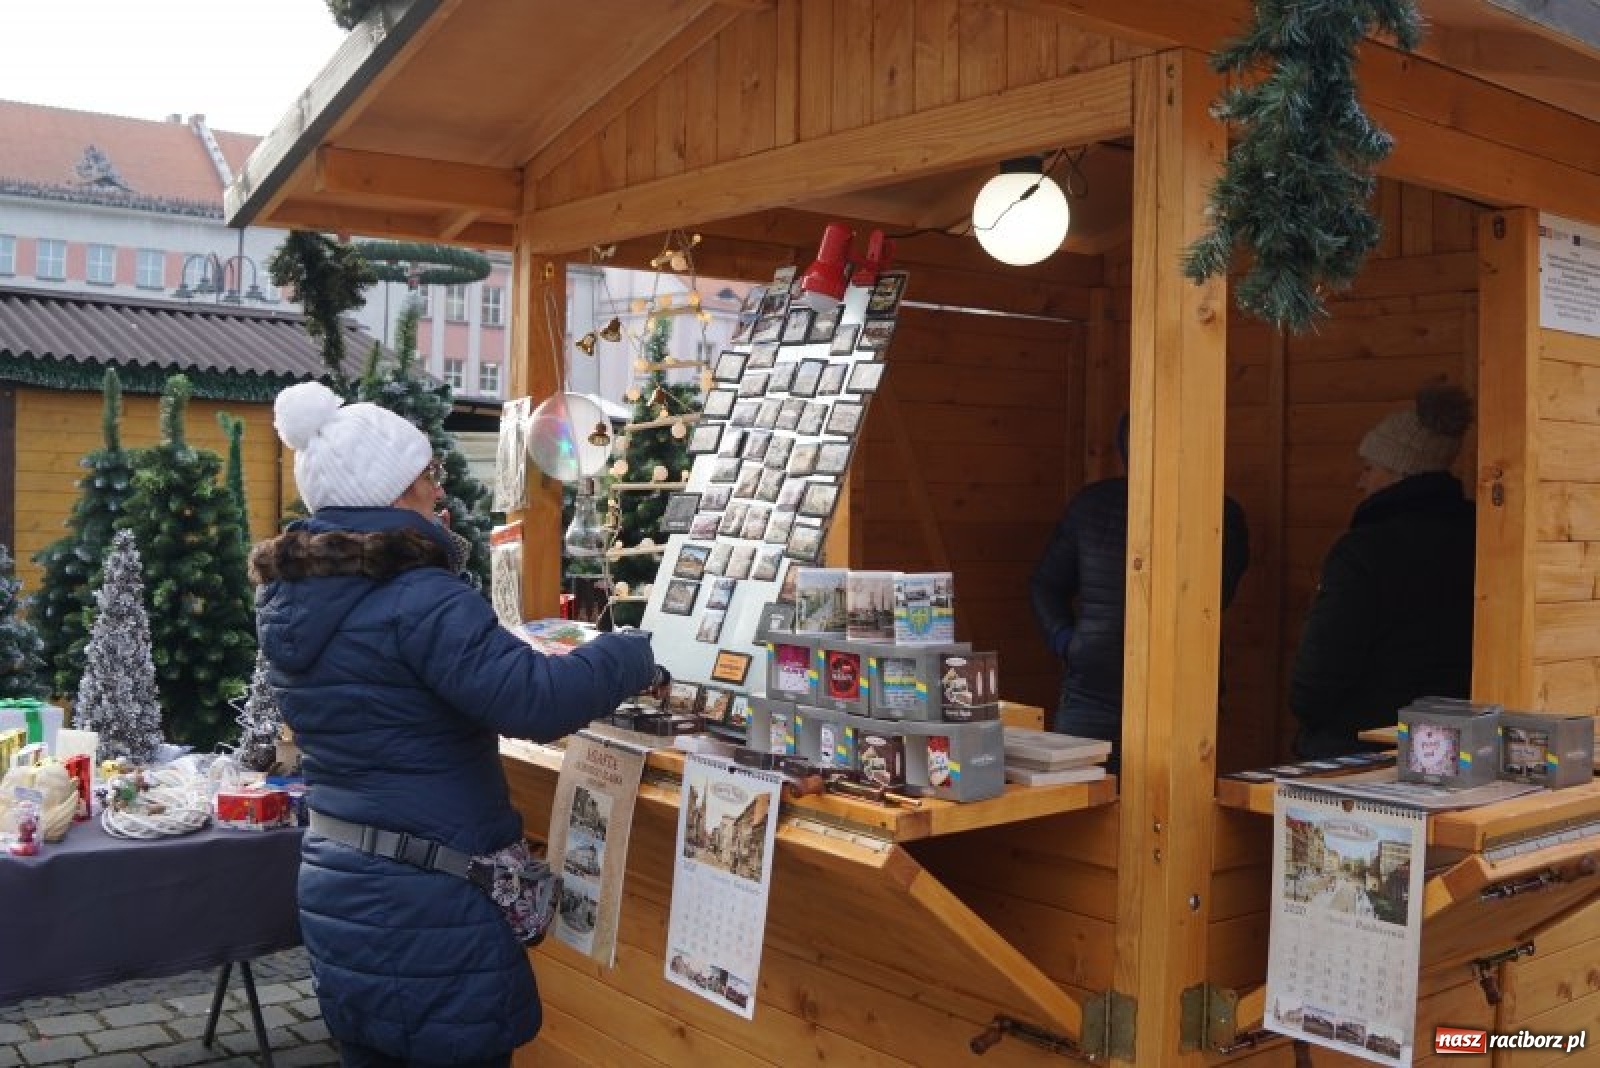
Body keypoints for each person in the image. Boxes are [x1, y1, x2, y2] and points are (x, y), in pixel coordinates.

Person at [251, 381, 666, 1068]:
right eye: (427, 476)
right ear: (391, 491)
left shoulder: (292, 597)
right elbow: (533, 702)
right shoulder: (419, 596)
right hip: (430, 899)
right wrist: (628, 653)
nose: (438, 492)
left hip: (342, 881)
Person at [1029, 414, 1249, 764]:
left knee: (1171, 815)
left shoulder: (1219, 515)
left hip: (1180, 700)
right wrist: (1067, 642)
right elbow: (1046, 585)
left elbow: (1213, 597)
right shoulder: (1092, 507)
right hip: (1091, 695)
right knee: (1075, 811)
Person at [1290, 382, 1476, 758]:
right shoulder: (1480, 539)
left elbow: (1322, 669)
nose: (1361, 481)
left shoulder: (1365, 551)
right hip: (1453, 745)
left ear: (1399, 472)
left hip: (1358, 743)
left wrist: (1309, 715)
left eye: (1369, 467)